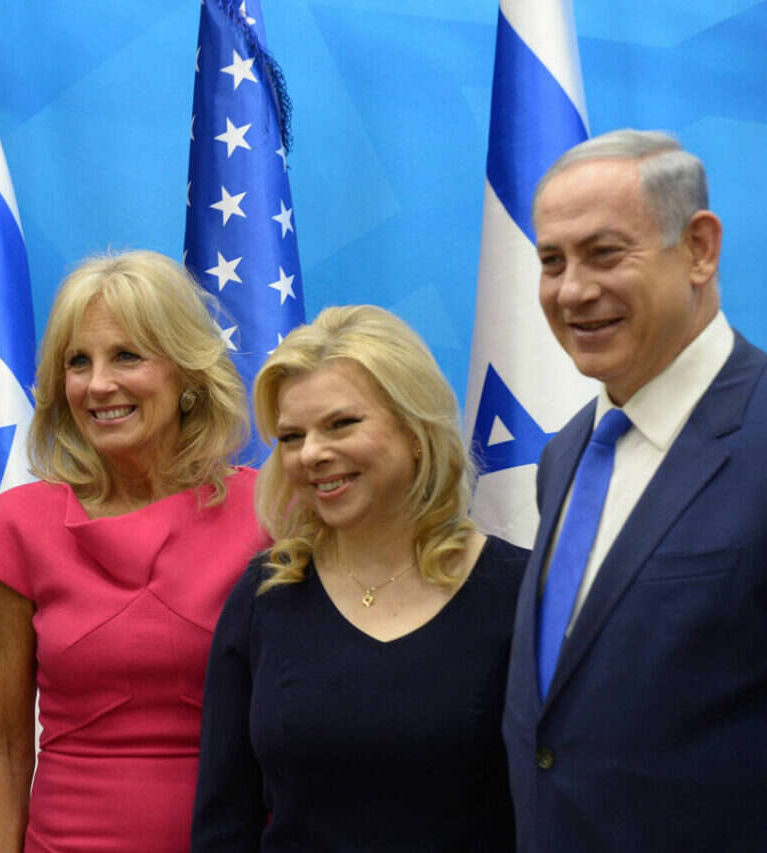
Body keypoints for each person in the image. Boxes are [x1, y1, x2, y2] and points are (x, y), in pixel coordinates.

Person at [504, 129, 767, 850]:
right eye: (552, 261)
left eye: (605, 253)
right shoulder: (566, 453)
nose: (573, 290)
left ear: (699, 248)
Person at [0, 250, 269, 852]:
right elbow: (2, 743)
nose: (98, 384)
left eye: (127, 355)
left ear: (187, 374)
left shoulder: (270, 516)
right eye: (78, 361)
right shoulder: (18, 526)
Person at [192, 305, 527, 851]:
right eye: (292, 436)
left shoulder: (524, 595)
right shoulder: (264, 597)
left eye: (341, 424)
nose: (311, 454)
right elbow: (224, 821)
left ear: (416, 429)